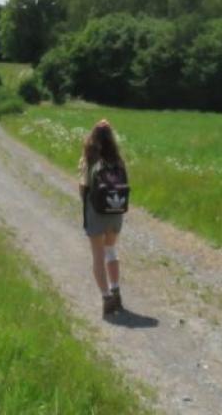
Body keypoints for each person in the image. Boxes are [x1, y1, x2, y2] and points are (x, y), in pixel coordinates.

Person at [78, 119, 127, 316]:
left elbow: (83, 190)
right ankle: (116, 290)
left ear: (93, 138)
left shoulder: (89, 160)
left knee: (97, 257)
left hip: (96, 212)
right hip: (115, 211)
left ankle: (106, 298)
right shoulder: (119, 160)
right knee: (111, 251)